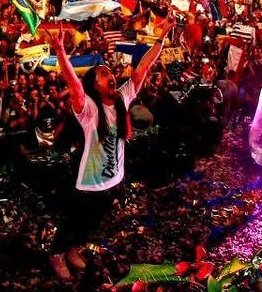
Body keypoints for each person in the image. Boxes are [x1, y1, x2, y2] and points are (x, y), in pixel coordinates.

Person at [45, 18, 174, 279]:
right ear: (96, 85)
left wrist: (163, 35)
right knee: (73, 220)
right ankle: (57, 253)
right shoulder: (89, 110)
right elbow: (75, 86)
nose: (111, 75)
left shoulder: (123, 100)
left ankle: (73, 249)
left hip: (111, 180)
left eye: (110, 72)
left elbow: (144, 67)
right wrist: (60, 52)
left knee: (90, 223)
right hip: (87, 182)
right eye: (103, 74)